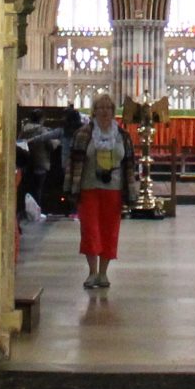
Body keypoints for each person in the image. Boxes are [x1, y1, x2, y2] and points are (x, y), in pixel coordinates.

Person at [65, 91, 135, 289]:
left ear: (113, 112)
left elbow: (129, 164)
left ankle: (103, 273)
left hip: (113, 189)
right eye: (100, 108)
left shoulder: (122, 136)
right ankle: (92, 272)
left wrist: (131, 190)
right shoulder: (83, 134)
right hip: (88, 188)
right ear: (94, 111)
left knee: (109, 231)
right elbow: (73, 162)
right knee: (90, 229)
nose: (104, 111)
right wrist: (70, 187)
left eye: (108, 108)